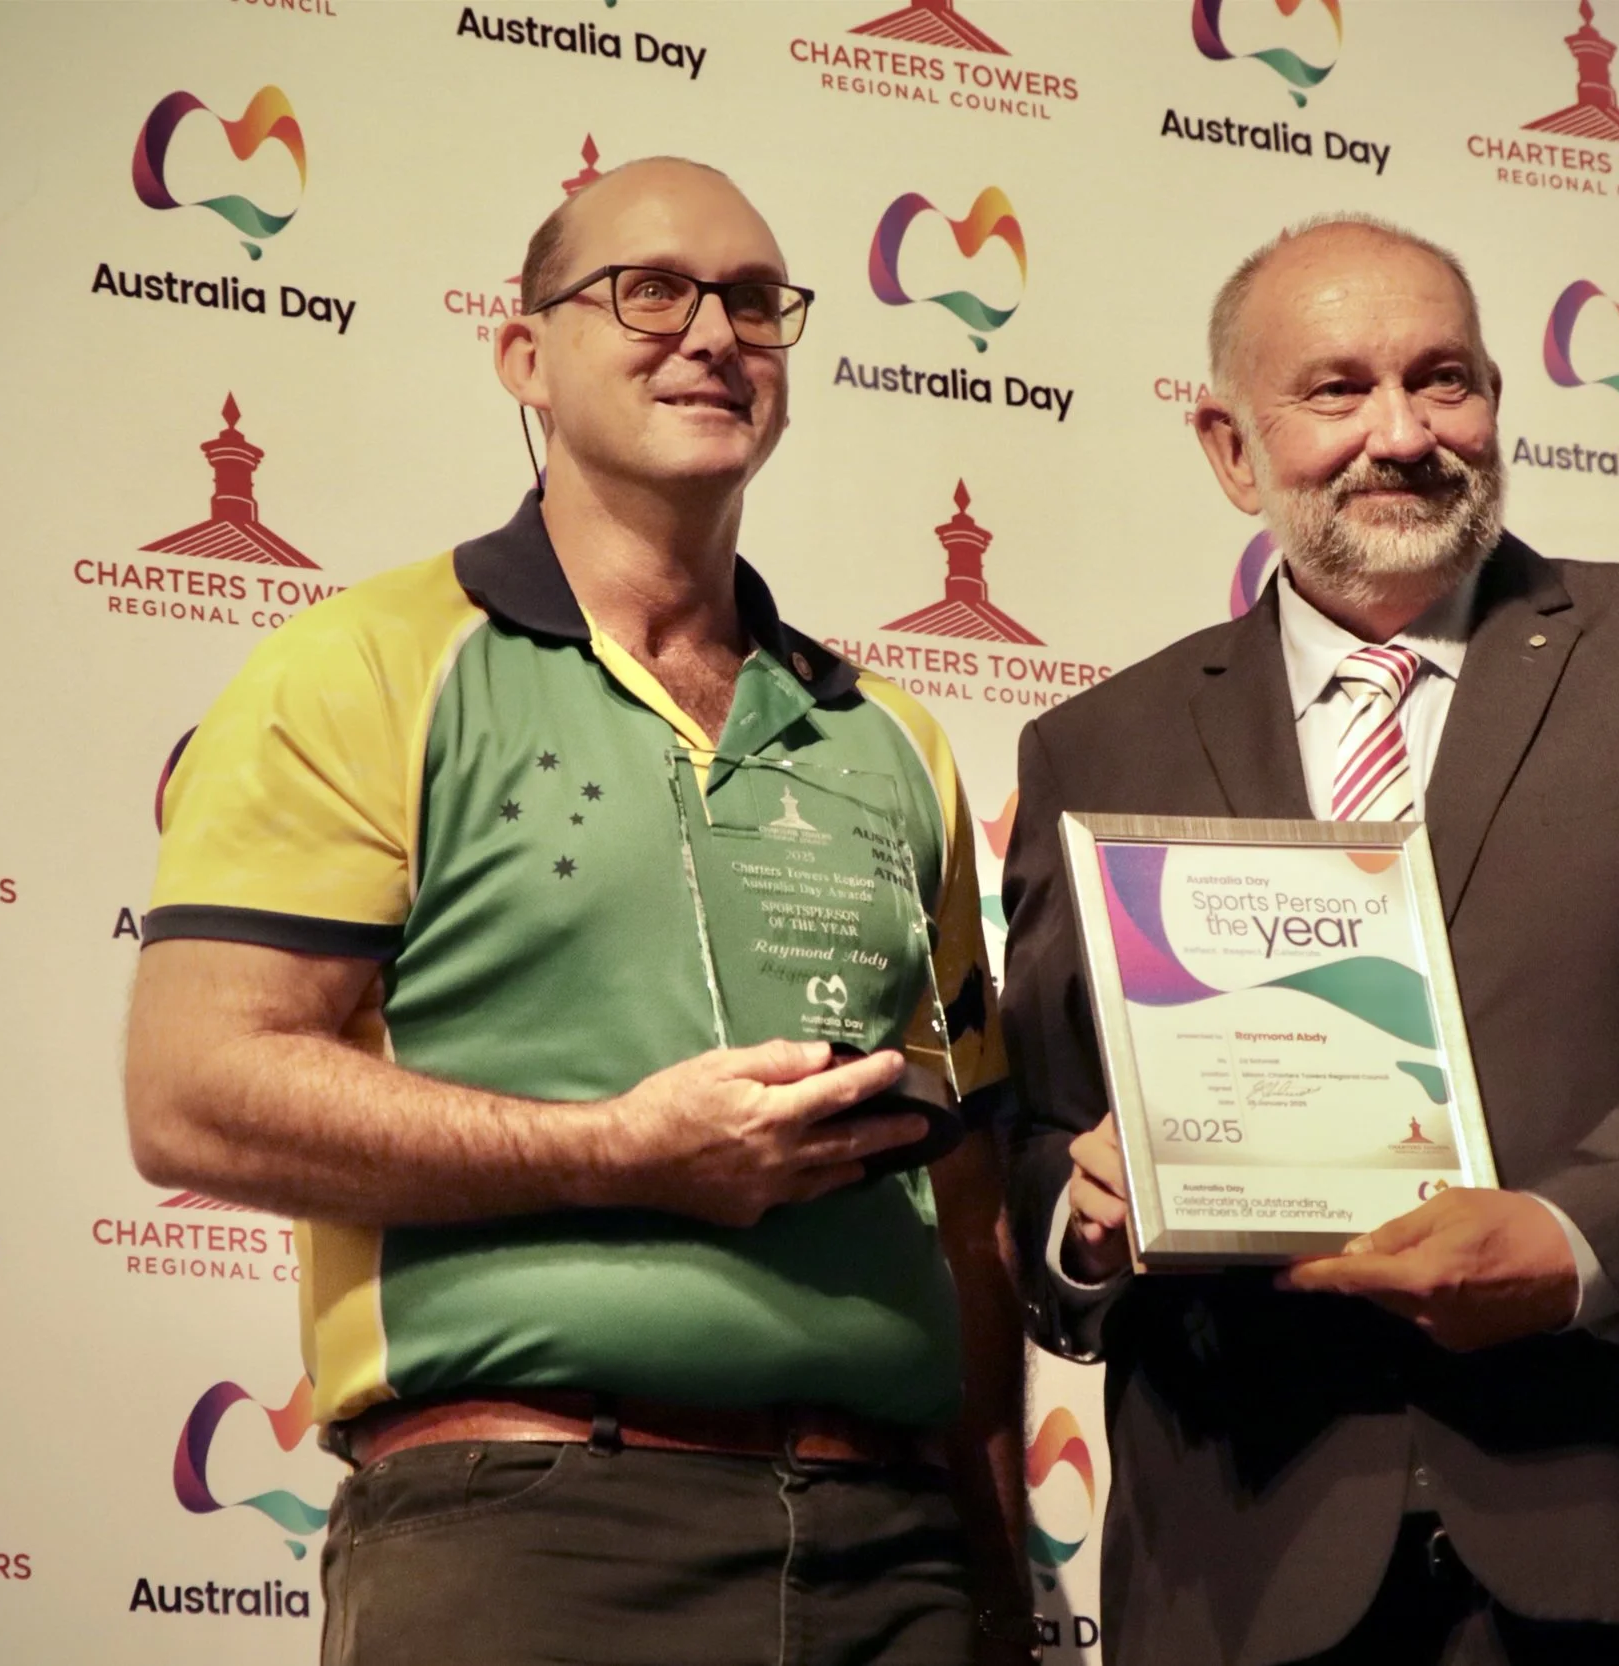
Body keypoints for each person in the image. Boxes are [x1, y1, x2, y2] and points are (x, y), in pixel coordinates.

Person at [125, 157, 1033, 1666]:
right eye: (650, 290)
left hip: (895, 1560)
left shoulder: (890, 736)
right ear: (524, 355)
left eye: (754, 300)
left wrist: (999, 1577)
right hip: (536, 1530)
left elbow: (972, 1209)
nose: (713, 334)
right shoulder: (364, 668)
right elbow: (192, 1091)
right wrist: (620, 1153)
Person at [999, 215, 1619, 1665]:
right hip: (1247, 1566)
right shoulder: (1095, 745)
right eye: (1338, 390)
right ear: (1231, 447)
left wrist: (1567, 1233)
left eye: (1446, 380)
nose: (1404, 434)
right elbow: (1041, 1121)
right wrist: (1084, 1210)